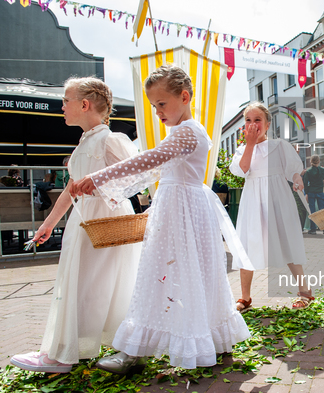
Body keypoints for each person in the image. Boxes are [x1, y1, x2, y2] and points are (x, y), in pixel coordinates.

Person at [72, 65, 251, 372]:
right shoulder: (186, 132)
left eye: (162, 104)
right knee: (195, 273)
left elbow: (147, 160)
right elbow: (165, 172)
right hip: (182, 210)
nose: (157, 112)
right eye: (154, 106)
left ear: (184, 97)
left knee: (159, 273)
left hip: (182, 213)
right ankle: (212, 339)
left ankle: (134, 353)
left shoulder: (186, 132)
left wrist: (99, 176)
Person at [10, 77, 142, 373]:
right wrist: (48, 224)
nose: (62, 107)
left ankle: (63, 354)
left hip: (106, 217)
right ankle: (68, 348)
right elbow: (71, 189)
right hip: (84, 217)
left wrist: (98, 184)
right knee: (82, 282)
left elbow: (136, 178)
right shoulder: (85, 140)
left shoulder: (111, 139)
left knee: (96, 283)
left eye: (65, 100)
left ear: (85, 105)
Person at [230, 102, 314, 313]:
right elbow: (243, 170)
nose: (253, 124)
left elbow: (293, 169)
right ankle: (246, 297)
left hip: (278, 198)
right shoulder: (242, 150)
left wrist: (297, 179)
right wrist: (249, 144)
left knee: (286, 239)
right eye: (248, 120)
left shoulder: (279, 145)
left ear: (267, 124)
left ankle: (305, 291)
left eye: (257, 120)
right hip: (253, 201)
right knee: (248, 244)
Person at [304, 155, 324, 235]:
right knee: (322, 210)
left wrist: (307, 192)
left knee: (312, 210)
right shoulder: (322, 170)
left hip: (311, 191)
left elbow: (305, 182)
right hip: (320, 191)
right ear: (318, 161)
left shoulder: (308, 171)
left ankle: (313, 229)